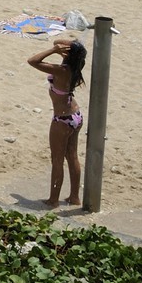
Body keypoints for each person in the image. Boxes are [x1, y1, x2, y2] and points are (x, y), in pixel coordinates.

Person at [27, 38, 86, 208]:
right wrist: (62, 47)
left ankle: (53, 200)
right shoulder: (75, 67)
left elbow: (32, 61)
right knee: (72, 156)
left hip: (62, 120)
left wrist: (53, 51)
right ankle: (74, 197)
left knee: (57, 159)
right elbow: (58, 40)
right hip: (75, 115)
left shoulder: (61, 70)